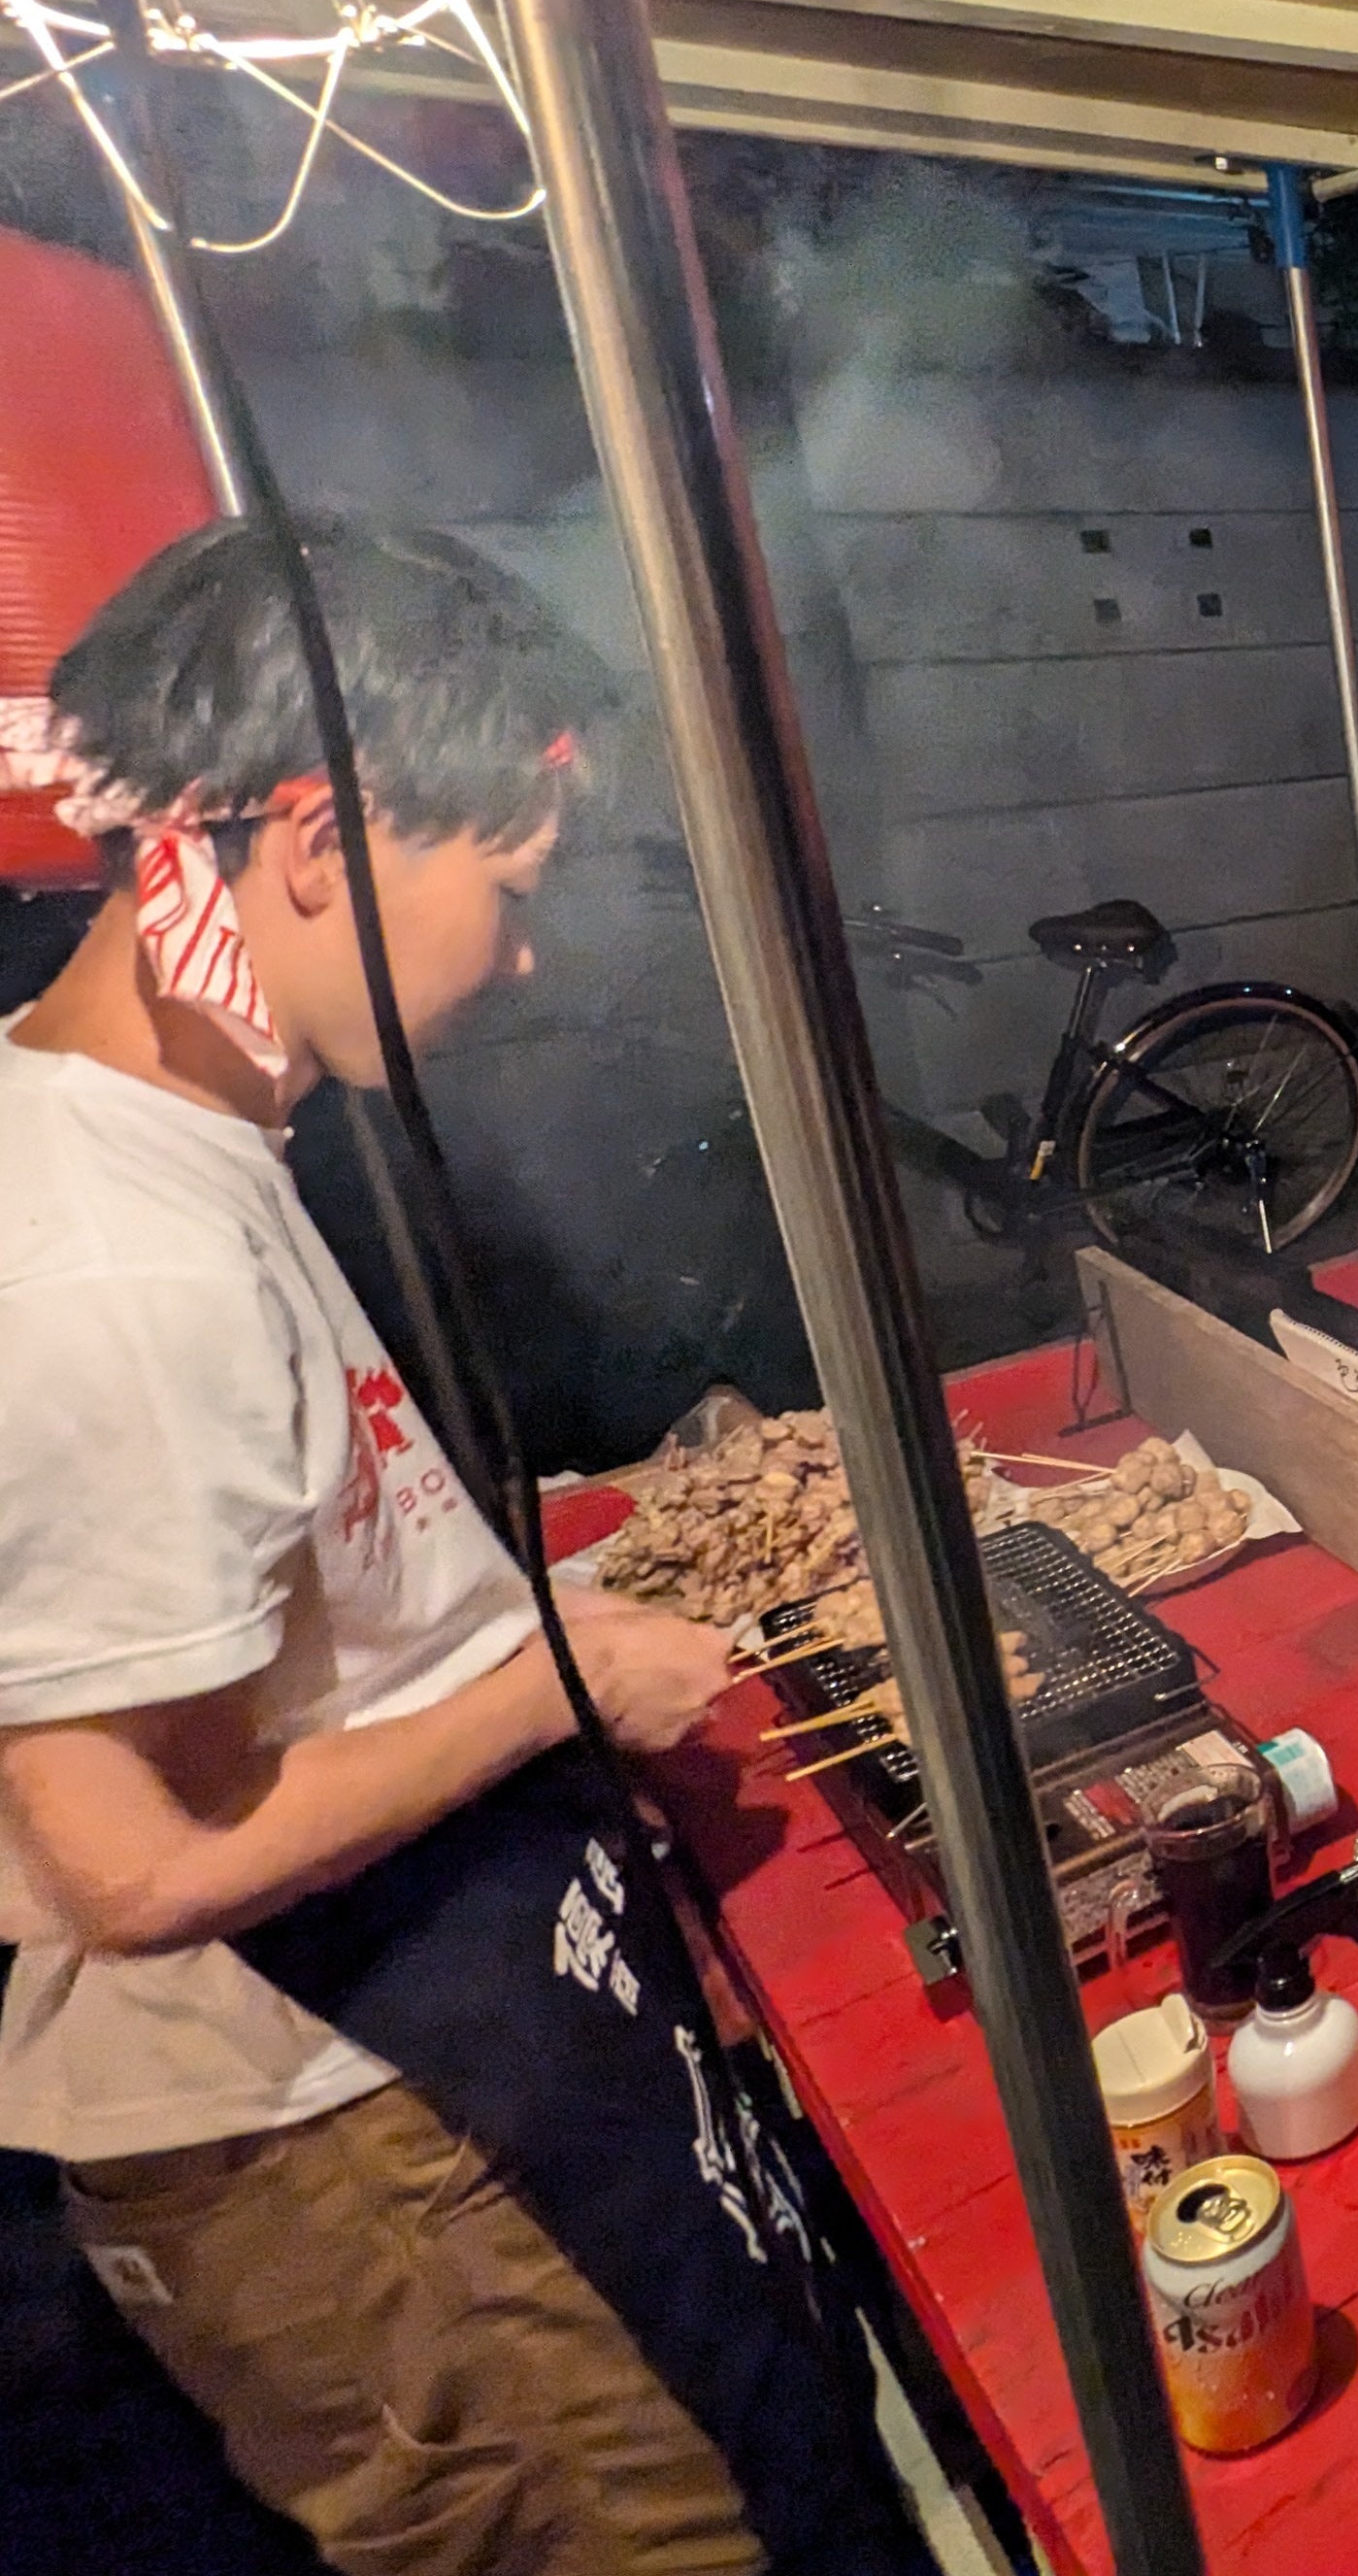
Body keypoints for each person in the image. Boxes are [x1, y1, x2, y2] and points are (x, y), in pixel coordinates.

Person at [0, 520, 928, 2573]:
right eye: (506, 889)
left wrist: (539, 1616)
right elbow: (125, 1859)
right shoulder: (110, 1262)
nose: (518, 960)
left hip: (439, 2050)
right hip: (357, 2148)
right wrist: (553, 1686)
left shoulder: (171, 1137)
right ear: (317, 840)